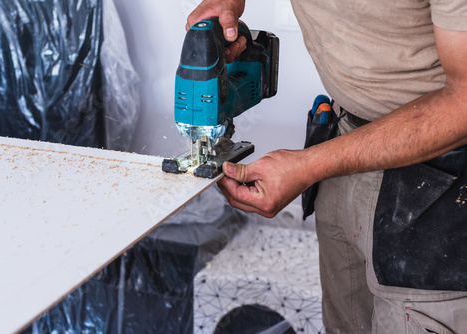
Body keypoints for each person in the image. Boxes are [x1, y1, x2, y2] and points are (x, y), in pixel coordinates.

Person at [187, 0, 467, 333]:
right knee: (344, 320)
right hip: (343, 135)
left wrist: (309, 166)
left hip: (440, 175)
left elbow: (463, 103)